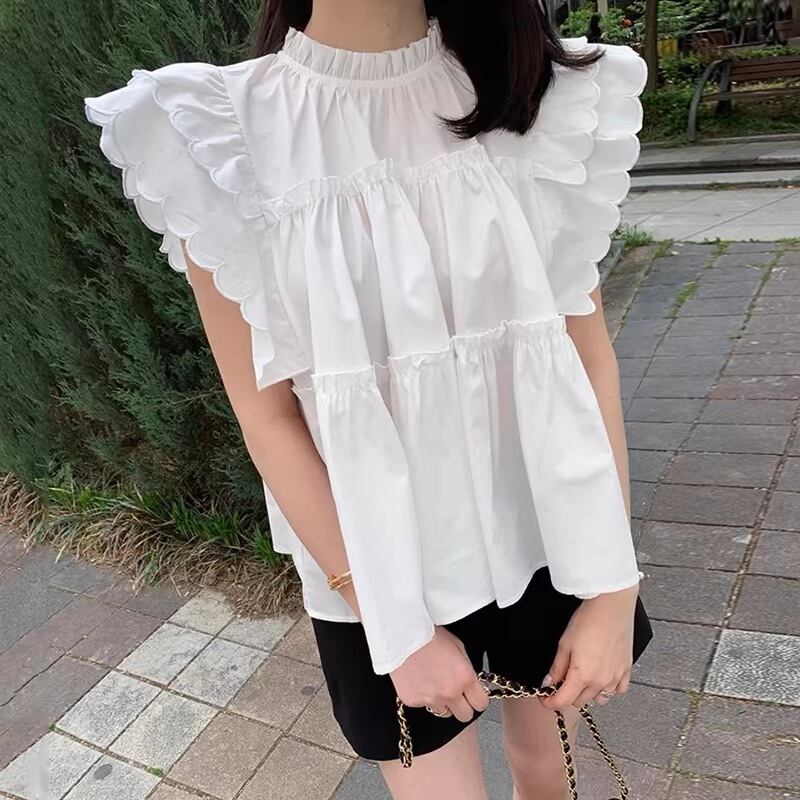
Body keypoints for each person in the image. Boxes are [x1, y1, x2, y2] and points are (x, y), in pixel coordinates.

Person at [85, 1, 653, 798]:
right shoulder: (215, 132)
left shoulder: (533, 95)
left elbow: (587, 359)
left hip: (552, 535)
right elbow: (268, 415)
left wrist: (615, 587)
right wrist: (396, 626)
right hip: (376, 568)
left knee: (548, 775)